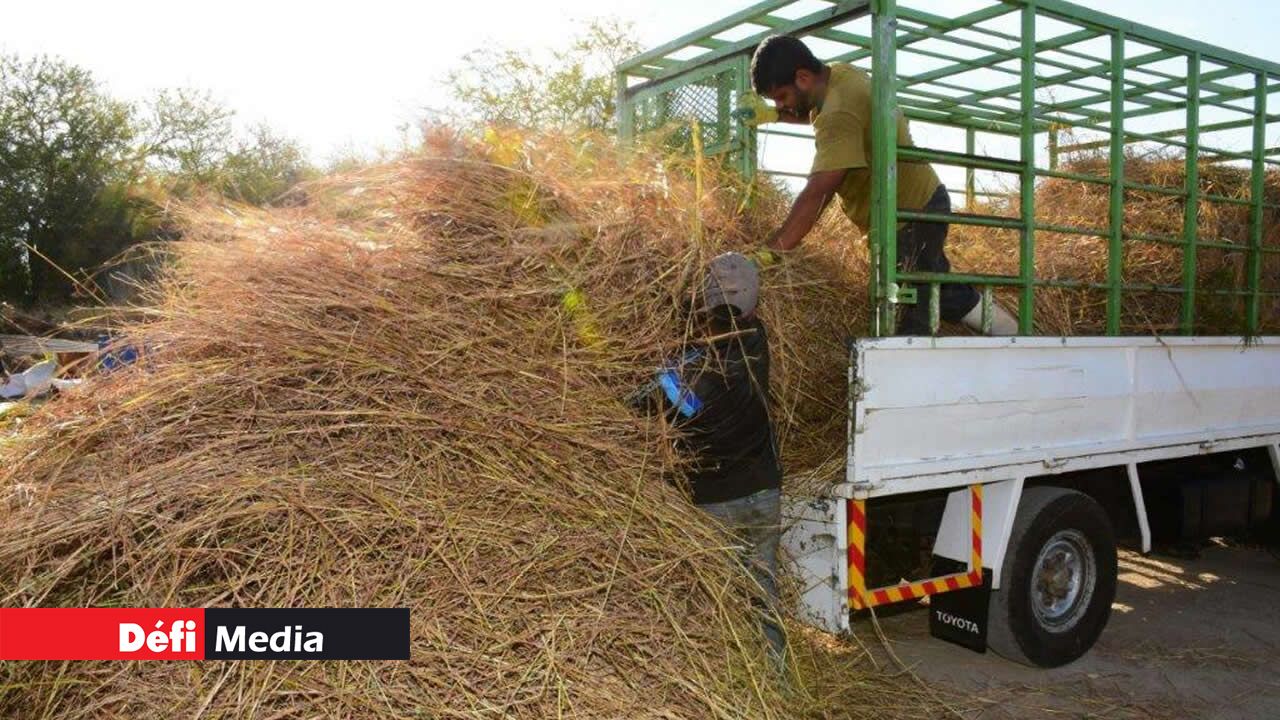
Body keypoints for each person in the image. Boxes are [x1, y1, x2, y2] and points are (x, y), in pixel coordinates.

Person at [746, 34, 1018, 336]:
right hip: (911, 208)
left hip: (911, 214)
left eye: (781, 97)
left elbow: (818, 192)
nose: (782, 104)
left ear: (803, 77)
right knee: (933, 286)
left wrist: (772, 251)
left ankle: (1008, 337)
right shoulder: (841, 76)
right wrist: (774, 116)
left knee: (914, 311)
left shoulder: (838, 111)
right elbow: (822, 112)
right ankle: (1012, 333)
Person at [631, 252, 786, 661]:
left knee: (720, 602)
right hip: (765, 492)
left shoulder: (694, 361)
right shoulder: (758, 338)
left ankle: (735, 680)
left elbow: (660, 401)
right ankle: (777, 680)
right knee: (762, 597)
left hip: (716, 502)